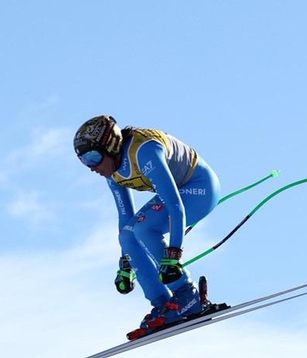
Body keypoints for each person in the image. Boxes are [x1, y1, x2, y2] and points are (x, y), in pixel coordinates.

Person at [72, 115, 223, 337]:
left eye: (93, 157)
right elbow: (125, 219)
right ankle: (162, 304)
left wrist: (173, 256)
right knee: (127, 235)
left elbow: (175, 207)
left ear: (111, 145)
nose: (91, 167)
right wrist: (126, 264)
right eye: (84, 161)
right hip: (177, 194)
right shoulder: (112, 171)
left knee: (144, 229)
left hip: (200, 188)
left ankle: (187, 295)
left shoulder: (145, 152)